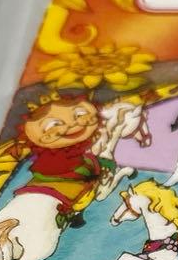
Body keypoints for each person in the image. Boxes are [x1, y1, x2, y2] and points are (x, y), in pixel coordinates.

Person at [14, 95, 115, 227]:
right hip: (59, 169)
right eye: (54, 124)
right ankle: (75, 209)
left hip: (68, 164)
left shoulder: (85, 146)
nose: (72, 124)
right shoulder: (56, 152)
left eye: (79, 114)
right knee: (88, 178)